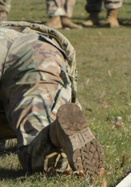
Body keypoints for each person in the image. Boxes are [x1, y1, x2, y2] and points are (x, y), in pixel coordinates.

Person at [0, 22, 103, 175]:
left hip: (26, 66)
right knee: (36, 127)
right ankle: (55, 130)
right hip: (44, 49)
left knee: (37, 158)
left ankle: (54, 135)